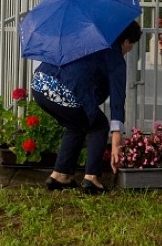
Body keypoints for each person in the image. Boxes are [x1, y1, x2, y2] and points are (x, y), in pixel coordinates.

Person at [30, 20, 142, 194]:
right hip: (63, 91)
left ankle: (60, 175)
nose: (129, 50)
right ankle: (92, 178)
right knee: (99, 125)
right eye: (131, 46)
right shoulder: (115, 57)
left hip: (40, 85)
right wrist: (117, 132)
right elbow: (117, 97)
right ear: (126, 41)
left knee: (76, 125)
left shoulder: (88, 38)